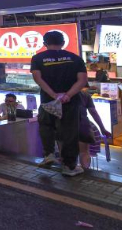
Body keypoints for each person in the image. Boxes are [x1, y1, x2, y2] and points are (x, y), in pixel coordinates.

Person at [31, 31, 88, 177]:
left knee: (46, 125)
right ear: (63, 43)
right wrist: (67, 95)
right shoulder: (75, 58)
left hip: (48, 100)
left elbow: (38, 79)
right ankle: (69, 166)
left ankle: (49, 154)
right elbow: (82, 80)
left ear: (44, 44)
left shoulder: (38, 58)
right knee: (70, 132)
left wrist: (53, 95)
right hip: (70, 101)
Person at [78, 85, 112, 169]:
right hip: (82, 124)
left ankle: (68, 171)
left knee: (66, 152)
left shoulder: (61, 93)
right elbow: (93, 112)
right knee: (84, 152)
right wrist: (102, 128)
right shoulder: (84, 94)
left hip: (66, 125)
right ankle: (86, 174)